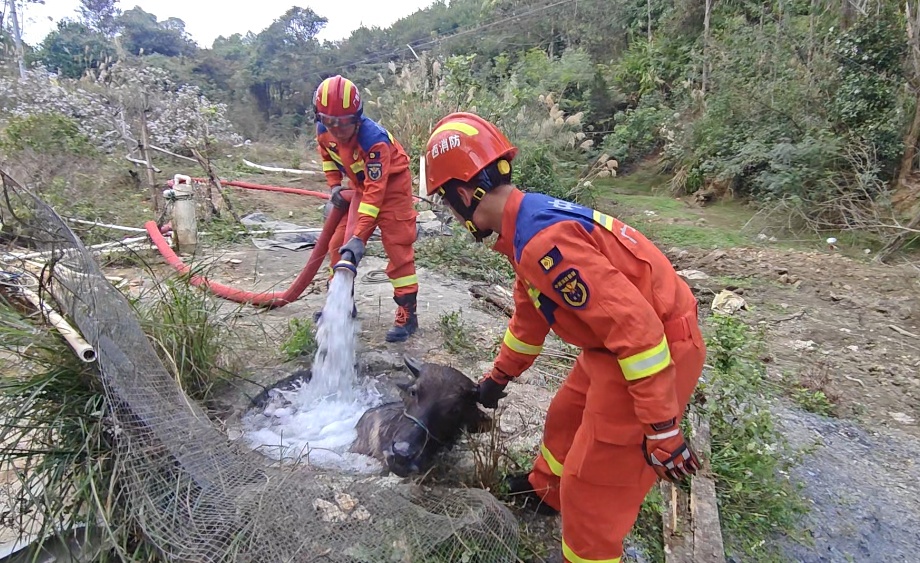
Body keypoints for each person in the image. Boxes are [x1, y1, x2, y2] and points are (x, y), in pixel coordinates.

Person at [423, 112, 706, 563]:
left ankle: (587, 549)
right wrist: (498, 377)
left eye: (446, 201)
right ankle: (546, 491)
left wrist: (662, 428)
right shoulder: (525, 227)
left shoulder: (543, 242)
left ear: (462, 194)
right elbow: (529, 320)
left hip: (655, 350)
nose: (452, 215)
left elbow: (638, 332)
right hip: (610, 347)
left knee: (593, 485)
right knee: (564, 417)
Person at [312, 75, 419, 342]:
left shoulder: (374, 140)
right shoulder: (324, 130)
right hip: (361, 186)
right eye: (330, 122)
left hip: (392, 187)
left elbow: (376, 191)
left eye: (344, 123)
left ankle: (408, 314)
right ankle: (341, 305)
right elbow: (327, 157)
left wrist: (359, 237)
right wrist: (334, 186)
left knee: (398, 247)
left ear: (357, 118)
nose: (337, 130)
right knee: (338, 244)